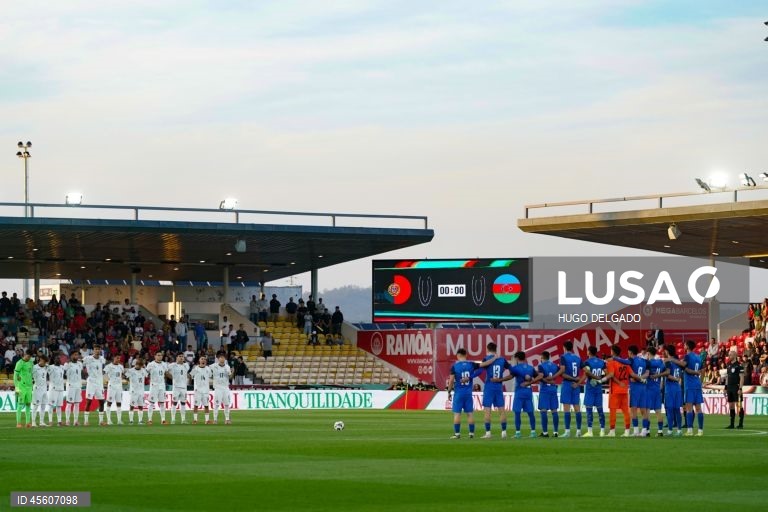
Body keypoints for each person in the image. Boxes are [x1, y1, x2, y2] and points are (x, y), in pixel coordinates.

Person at [447, 348, 497, 439]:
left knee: (457, 414)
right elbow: (484, 364)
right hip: (468, 393)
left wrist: (449, 391)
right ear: (466, 355)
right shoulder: (471, 364)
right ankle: (471, 433)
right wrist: (494, 359)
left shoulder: (454, 366)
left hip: (458, 393)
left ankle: (457, 434)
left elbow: (451, 381)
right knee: (470, 413)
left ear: (458, 356)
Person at [666, 340, 705, 436]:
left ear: (687, 346)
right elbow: (703, 370)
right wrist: (700, 382)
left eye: (684, 345)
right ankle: (700, 431)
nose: (683, 346)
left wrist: (671, 359)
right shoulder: (698, 357)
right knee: (699, 408)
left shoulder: (688, 356)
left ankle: (690, 430)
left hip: (690, 385)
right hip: (697, 384)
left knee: (689, 408)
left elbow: (683, 365)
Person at [610, 345, 650, 437]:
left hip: (635, 388)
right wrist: (641, 379)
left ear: (631, 352)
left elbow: (624, 361)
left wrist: (615, 358)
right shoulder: (645, 361)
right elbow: (647, 373)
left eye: (628, 353)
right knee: (644, 410)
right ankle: (644, 430)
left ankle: (636, 430)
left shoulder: (631, 360)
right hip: (643, 387)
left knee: (634, 410)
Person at [496, 351, 537, 438]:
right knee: (530, 412)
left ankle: (518, 433)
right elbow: (538, 376)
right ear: (524, 358)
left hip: (519, 392)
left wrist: (500, 380)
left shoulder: (516, 368)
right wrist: (530, 382)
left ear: (517, 358)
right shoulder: (530, 368)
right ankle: (533, 432)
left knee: (517, 412)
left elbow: (510, 377)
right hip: (529, 392)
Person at [479, 342, 512, 439]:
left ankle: (488, 433)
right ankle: (504, 432)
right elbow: (512, 371)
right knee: (501, 410)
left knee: (487, 411)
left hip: (489, 387)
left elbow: (481, 367)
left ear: (487, 349)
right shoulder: (502, 360)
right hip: (498, 387)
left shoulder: (486, 359)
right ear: (496, 349)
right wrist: (501, 379)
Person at [556, 341, 583, 437]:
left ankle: (567, 431)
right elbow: (586, 370)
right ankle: (579, 431)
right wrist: (578, 381)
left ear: (564, 347)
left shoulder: (563, 357)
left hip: (567, 384)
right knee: (577, 408)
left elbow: (562, 371)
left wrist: (555, 375)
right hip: (576, 385)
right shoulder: (578, 358)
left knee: (566, 408)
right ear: (572, 348)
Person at [605, 345, 631, 437]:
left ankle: (612, 431)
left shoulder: (611, 362)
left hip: (615, 390)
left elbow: (611, 375)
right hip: (624, 390)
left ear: (612, 352)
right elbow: (631, 374)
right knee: (626, 411)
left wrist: (618, 382)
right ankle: (627, 431)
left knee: (612, 411)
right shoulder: (625, 363)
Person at [581, 346, 606, 437]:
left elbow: (586, 372)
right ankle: (602, 431)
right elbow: (606, 373)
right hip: (598, 388)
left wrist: (579, 382)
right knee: (600, 409)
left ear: (589, 352)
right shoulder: (601, 362)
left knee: (589, 409)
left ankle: (590, 431)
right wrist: (600, 380)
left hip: (590, 388)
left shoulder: (587, 362)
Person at [536, 351, 560, 437]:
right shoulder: (554, 366)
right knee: (554, 411)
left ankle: (545, 432)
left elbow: (541, 376)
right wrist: (553, 379)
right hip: (553, 389)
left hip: (545, 389)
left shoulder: (541, 366)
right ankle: (556, 432)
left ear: (542, 358)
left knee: (543, 411)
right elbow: (560, 372)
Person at [82, 345, 107, 426]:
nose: (97, 350)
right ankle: (86, 421)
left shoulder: (102, 359)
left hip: (99, 383)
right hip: (91, 382)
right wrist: (85, 375)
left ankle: (101, 421)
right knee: (89, 401)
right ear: (93, 350)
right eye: (95, 349)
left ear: (100, 350)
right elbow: (81, 365)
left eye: (98, 349)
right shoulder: (88, 358)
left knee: (101, 401)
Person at [663, 345, 683, 436]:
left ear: (667, 351)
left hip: (670, 387)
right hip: (677, 388)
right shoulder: (678, 361)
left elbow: (667, 375)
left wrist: (675, 379)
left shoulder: (667, 362)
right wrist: (678, 380)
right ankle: (679, 430)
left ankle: (670, 430)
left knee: (670, 409)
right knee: (677, 409)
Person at [646, 347, 666, 436]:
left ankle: (647, 431)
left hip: (649, 389)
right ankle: (660, 431)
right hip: (657, 389)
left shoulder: (648, 363)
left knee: (647, 411)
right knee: (658, 411)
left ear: (649, 353)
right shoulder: (660, 362)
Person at [146, 351, 169, 425]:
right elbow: (146, 374)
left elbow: (166, 373)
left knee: (162, 403)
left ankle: (163, 420)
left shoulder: (164, 364)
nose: (160, 356)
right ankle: (149, 420)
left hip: (162, 385)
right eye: (158, 355)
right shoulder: (151, 364)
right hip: (154, 385)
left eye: (161, 355)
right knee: (152, 403)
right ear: (155, 356)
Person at [14, 349, 34, 428]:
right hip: (22, 387)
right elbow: (15, 377)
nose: (29, 358)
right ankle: (18, 423)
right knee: (20, 405)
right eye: (28, 356)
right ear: (25, 354)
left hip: (29, 387)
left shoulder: (31, 362)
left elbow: (30, 373)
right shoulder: (19, 363)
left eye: (30, 357)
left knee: (28, 404)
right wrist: (17, 389)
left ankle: (28, 422)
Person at [168, 353, 190, 424]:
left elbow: (187, 374)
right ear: (176, 357)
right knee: (174, 403)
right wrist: (171, 377)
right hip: (176, 387)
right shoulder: (172, 365)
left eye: (182, 356)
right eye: (180, 356)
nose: (181, 358)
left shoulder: (186, 365)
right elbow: (165, 371)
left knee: (183, 403)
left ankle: (183, 419)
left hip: (184, 387)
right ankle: (173, 419)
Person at [725, 351, 744, 430]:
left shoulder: (739, 366)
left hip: (736, 387)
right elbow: (727, 377)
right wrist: (725, 387)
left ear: (735, 355)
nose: (729, 356)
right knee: (731, 405)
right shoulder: (728, 365)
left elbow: (742, 378)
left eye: (731, 354)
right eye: (729, 354)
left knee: (738, 405)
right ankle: (732, 424)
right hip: (729, 387)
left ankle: (740, 424)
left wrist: (740, 388)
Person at [190, 356, 213, 424]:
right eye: (202, 359)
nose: (203, 360)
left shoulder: (208, 369)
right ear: (199, 361)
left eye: (204, 359)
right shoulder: (195, 368)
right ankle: (195, 420)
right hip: (198, 390)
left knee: (206, 405)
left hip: (205, 390)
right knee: (196, 405)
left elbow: (210, 376)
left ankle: (207, 420)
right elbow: (190, 376)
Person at [211, 352, 233, 424]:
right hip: (218, 388)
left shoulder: (227, 367)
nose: (222, 359)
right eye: (220, 357)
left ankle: (227, 419)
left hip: (226, 387)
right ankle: (215, 419)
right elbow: (206, 369)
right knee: (217, 405)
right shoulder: (213, 366)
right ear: (218, 359)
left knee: (226, 404)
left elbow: (230, 377)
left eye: (223, 357)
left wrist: (232, 373)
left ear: (225, 359)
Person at [103, 355, 125, 425]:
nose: (118, 359)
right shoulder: (108, 366)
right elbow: (104, 374)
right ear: (113, 358)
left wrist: (122, 380)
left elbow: (121, 375)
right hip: (112, 386)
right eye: (117, 358)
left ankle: (119, 420)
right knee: (109, 403)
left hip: (119, 386)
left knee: (119, 403)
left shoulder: (121, 366)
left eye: (119, 358)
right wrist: (106, 380)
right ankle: (109, 420)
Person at [125, 358, 148, 425]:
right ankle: (131, 420)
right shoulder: (130, 371)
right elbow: (125, 377)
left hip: (141, 391)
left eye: (141, 365)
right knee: (132, 406)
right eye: (138, 365)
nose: (140, 367)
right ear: (136, 364)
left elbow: (147, 377)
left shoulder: (143, 370)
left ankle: (140, 420)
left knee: (140, 406)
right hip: (133, 391)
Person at [64, 351, 84, 426]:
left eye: (77, 355)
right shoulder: (67, 364)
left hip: (78, 386)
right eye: (75, 355)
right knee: (69, 404)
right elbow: (64, 371)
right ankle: (67, 420)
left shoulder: (80, 364)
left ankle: (75, 421)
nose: (77, 356)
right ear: (71, 356)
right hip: (71, 386)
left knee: (77, 404)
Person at [46, 353, 66, 426]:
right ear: (54, 360)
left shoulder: (62, 367)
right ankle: (50, 421)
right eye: (57, 358)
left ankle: (59, 421)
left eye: (59, 358)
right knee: (51, 405)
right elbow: (44, 365)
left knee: (59, 406)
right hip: (53, 388)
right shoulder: (50, 367)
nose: (58, 359)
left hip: (61, 388)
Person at [31, 353, 49, 427]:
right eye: (44, 362)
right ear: (40, 360)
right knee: (35, 406)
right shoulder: (34, 367)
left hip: (44, 388)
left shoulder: (46, 367)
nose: (45, 363)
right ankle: (33, 422)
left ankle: (41, 422)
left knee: (43, 405)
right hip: (37, 388)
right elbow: (31, 376)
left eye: (46, 362)